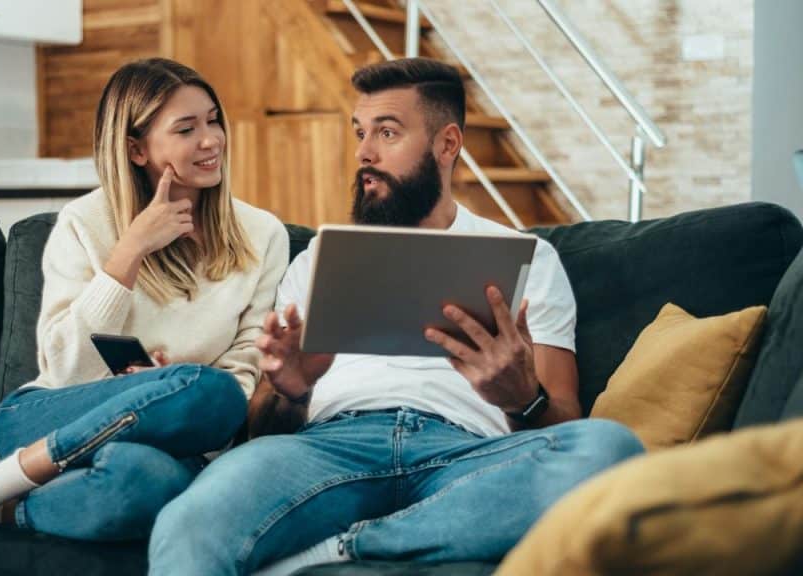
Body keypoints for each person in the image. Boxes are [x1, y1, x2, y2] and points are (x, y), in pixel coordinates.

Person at [147, 57, 644, 575]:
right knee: (188, 524)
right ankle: (391, 538)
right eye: (360, 132)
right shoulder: (315, 261)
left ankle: (349, 547)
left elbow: (565, 419)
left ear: (447, 144)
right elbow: (259, 430)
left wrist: (523, 399)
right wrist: (291, 390)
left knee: (611, 450)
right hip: (330, 449)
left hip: (467, 458)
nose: (364, 152)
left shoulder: (526, 259)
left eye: (387, 132)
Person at [0, 58, 289, 549]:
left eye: (213, 120)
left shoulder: (261, 234)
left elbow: (245, 367)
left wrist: (160, 387)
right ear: (136, 149)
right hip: (44, 420)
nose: (211, 140)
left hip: (171, 434)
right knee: (206, 391)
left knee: (171, 453)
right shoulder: (84, 222)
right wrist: (129, 252)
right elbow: (66, 365)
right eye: (186, 129)